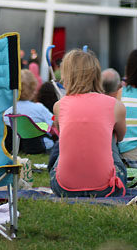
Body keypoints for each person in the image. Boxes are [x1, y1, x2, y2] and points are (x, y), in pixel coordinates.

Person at [50, 49, 127, 197]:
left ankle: (75, 177)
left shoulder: (59, 106)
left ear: (67, 75)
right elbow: (121, 137)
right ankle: (100, 174)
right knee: (111, 134)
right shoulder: (115, 105)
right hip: (107, 188)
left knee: (69, 138)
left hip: (63, 188)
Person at [3, 69, 55, 154]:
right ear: (33, 88)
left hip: (14, 146)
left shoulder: (7, 110)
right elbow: (53, 121)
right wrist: (54, 116)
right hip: (38, 146)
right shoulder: (39, 108)